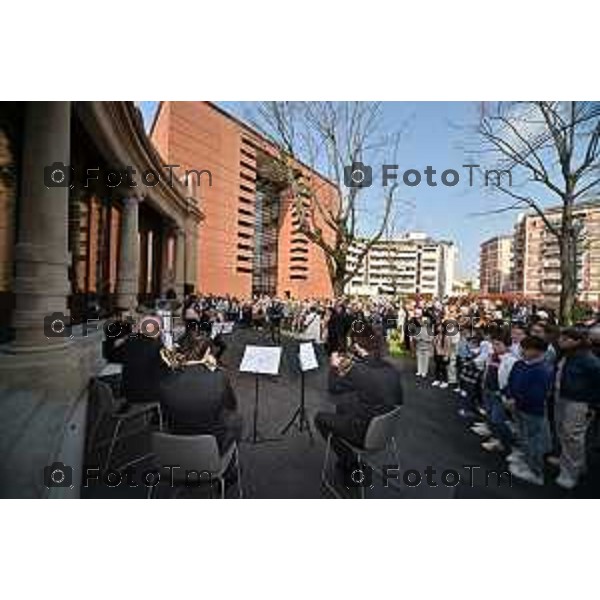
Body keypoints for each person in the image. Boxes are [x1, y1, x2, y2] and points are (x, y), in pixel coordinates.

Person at [314, 325, 404, 467]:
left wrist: (334, 365)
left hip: (365, 432)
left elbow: (333, 388)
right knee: (342, 407)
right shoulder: (392, 368)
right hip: (386, 428)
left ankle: (349, 462)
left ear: (358, 346)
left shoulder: (360, 370)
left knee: (320, 418)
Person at [159, 333, 243, 453]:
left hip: (176, 436)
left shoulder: (166, 377)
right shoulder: (218, 377)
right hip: (210, 443)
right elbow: (231, 405)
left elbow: (164, 410)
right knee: (236, 420)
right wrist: (213, 369)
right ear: (207, 352)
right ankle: (228, 462)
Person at [554, 327, 600, 489]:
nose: (561, 341)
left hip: (578, 401)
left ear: (577, 341)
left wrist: (593, 404)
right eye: (561, 337)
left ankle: (571, 472)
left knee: (573, 436)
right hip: (562, 396)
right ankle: (572, 464)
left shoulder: (587, 359)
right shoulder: (566, 355)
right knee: (563, 432)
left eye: (566, 339)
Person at [506, 336, 554, 485]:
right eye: (522, 347)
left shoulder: (543, 370)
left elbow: (537, 395)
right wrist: (509, 396)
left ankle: (536, 472)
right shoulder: (520, 364)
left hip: (532, 410)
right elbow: (511, 381)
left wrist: (516, 400)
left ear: (538, 352)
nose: (522, 351)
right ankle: (527, 462)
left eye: (526, 348)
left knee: (534, 440)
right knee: (523, 436)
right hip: (517, 407)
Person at [108, 314, 166, 404]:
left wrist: (127, 337)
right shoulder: (158, 347)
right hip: (148, 397)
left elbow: (112, 355)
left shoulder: (129, 342)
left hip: (128, 395)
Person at [432, 322, 451, 388]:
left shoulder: (446, 337)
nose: (438, 328)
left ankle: (445, 381)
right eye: (438, 327)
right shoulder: (437, 336)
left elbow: (448, 347)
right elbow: (434, 344)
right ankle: (437, 379)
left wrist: (446, 355)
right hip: (437, 354)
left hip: (443, 354)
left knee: (443, 369)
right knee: (437, 368)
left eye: (440, 327)